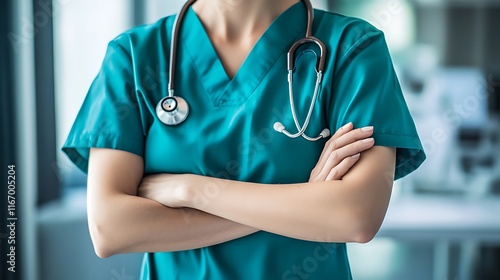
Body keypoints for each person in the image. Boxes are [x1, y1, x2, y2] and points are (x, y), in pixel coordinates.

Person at [62, 0, 426, 279]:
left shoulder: (352, 49)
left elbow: (355, 217)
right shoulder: (135, 56)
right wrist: (306, 199)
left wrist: (189, 190)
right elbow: (110, 229)